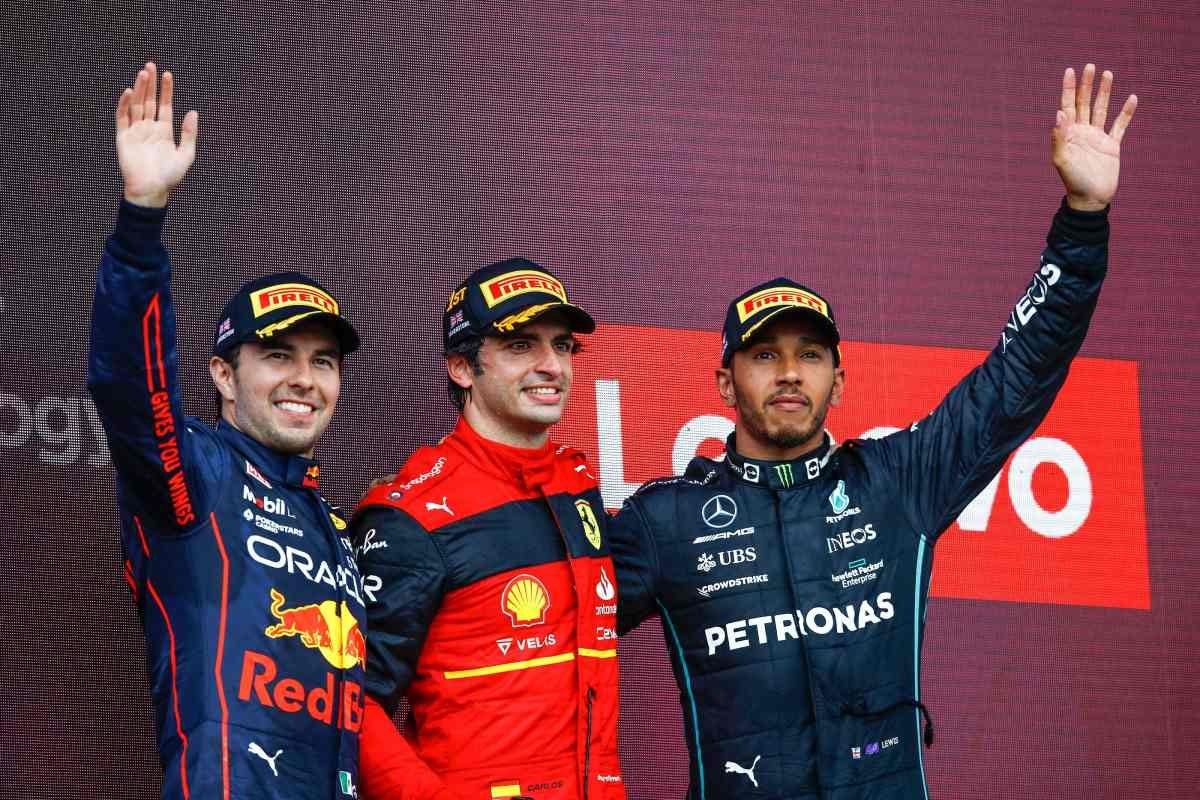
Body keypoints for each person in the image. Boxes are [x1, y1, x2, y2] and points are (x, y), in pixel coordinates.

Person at [608, 64, 1137, 799]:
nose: (789, 374)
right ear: (726, 384)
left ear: (838, 381)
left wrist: (1082, 218)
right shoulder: (663, 522)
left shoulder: (897, 483)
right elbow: (532, 627)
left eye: (810, 356)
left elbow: (1019, 376)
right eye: (764, 356)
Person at [88, 63, 367, 800]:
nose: (304, 379)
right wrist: (142, 217)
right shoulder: (199, 477)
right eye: (277, 355)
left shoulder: (334, 527)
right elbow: (126, 384)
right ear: (222, 374)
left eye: (323, 361)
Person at [352, 259, 625, 800]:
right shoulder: (413, 514)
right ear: (462, 367)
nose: (552, 366)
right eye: (521, 345)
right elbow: (351, 700)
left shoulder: (578, 486)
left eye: (563, 345)